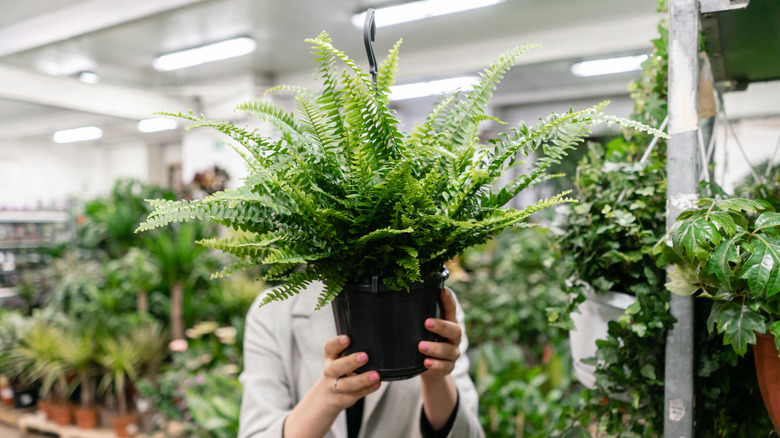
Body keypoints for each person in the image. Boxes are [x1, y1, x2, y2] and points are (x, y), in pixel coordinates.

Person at [238, 280, 485, 438]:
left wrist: (434, 372)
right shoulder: (273, 313)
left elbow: (469, 434)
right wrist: (327, 398)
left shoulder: (434, 306)